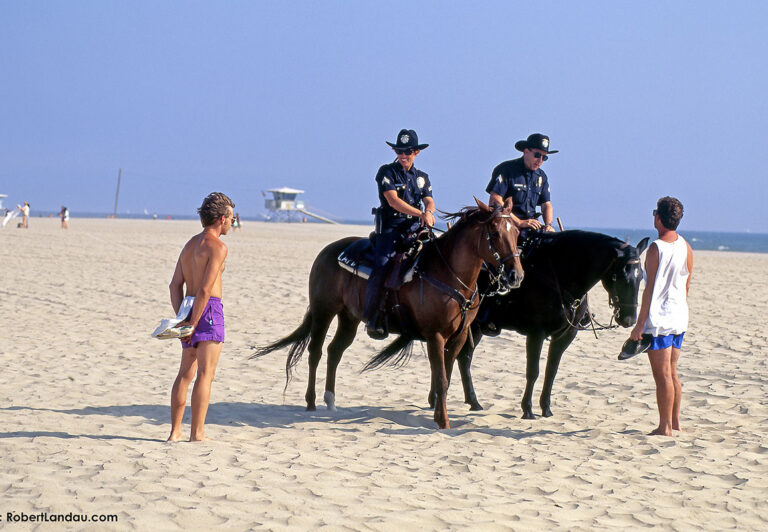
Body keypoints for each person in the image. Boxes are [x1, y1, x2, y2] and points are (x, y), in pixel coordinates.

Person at [167, 192, 235, 442]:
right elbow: (206, 289)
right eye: (231, 218)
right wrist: (195, 321)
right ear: (221, 219)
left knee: (185, 373)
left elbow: (174, 286)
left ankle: (175, 432)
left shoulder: (189, 245)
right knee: (206, 373)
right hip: (208, 310)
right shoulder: (218, 247)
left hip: (188, 307)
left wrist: (182, 319)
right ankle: (197, 433)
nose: (232, 223)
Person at [630, 196, 693, 437]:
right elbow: (686, 284)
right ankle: (675, 422)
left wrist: (639, 325)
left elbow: (650, 290)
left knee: (663, 375)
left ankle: (664, 427)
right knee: (673, 371)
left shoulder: (656, 248)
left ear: (659, 218)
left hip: (661, 319)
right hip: (679, 316)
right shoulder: (685, 245)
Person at [364, 129, 436, 339]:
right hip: (391, 230)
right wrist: (419, 213)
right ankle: (372, 316)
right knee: (382, 265)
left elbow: (429, 199)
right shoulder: (386, 172)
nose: (404, 155)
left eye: (408, 152)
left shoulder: (422, 177)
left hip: (416, 230)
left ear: (416, 153)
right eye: (400, 151)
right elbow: (393, 200)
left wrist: (429, 212)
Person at [486, 133, 557, 234]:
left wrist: (548, 225)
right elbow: (495, 200)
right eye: (537, 155)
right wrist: (519, 222)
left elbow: (546, 204)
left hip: (531, 227)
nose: (540, 160)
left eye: (544, 157)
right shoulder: (507, 170)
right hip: (506, 227)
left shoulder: (542, 176)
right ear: (526, 151)